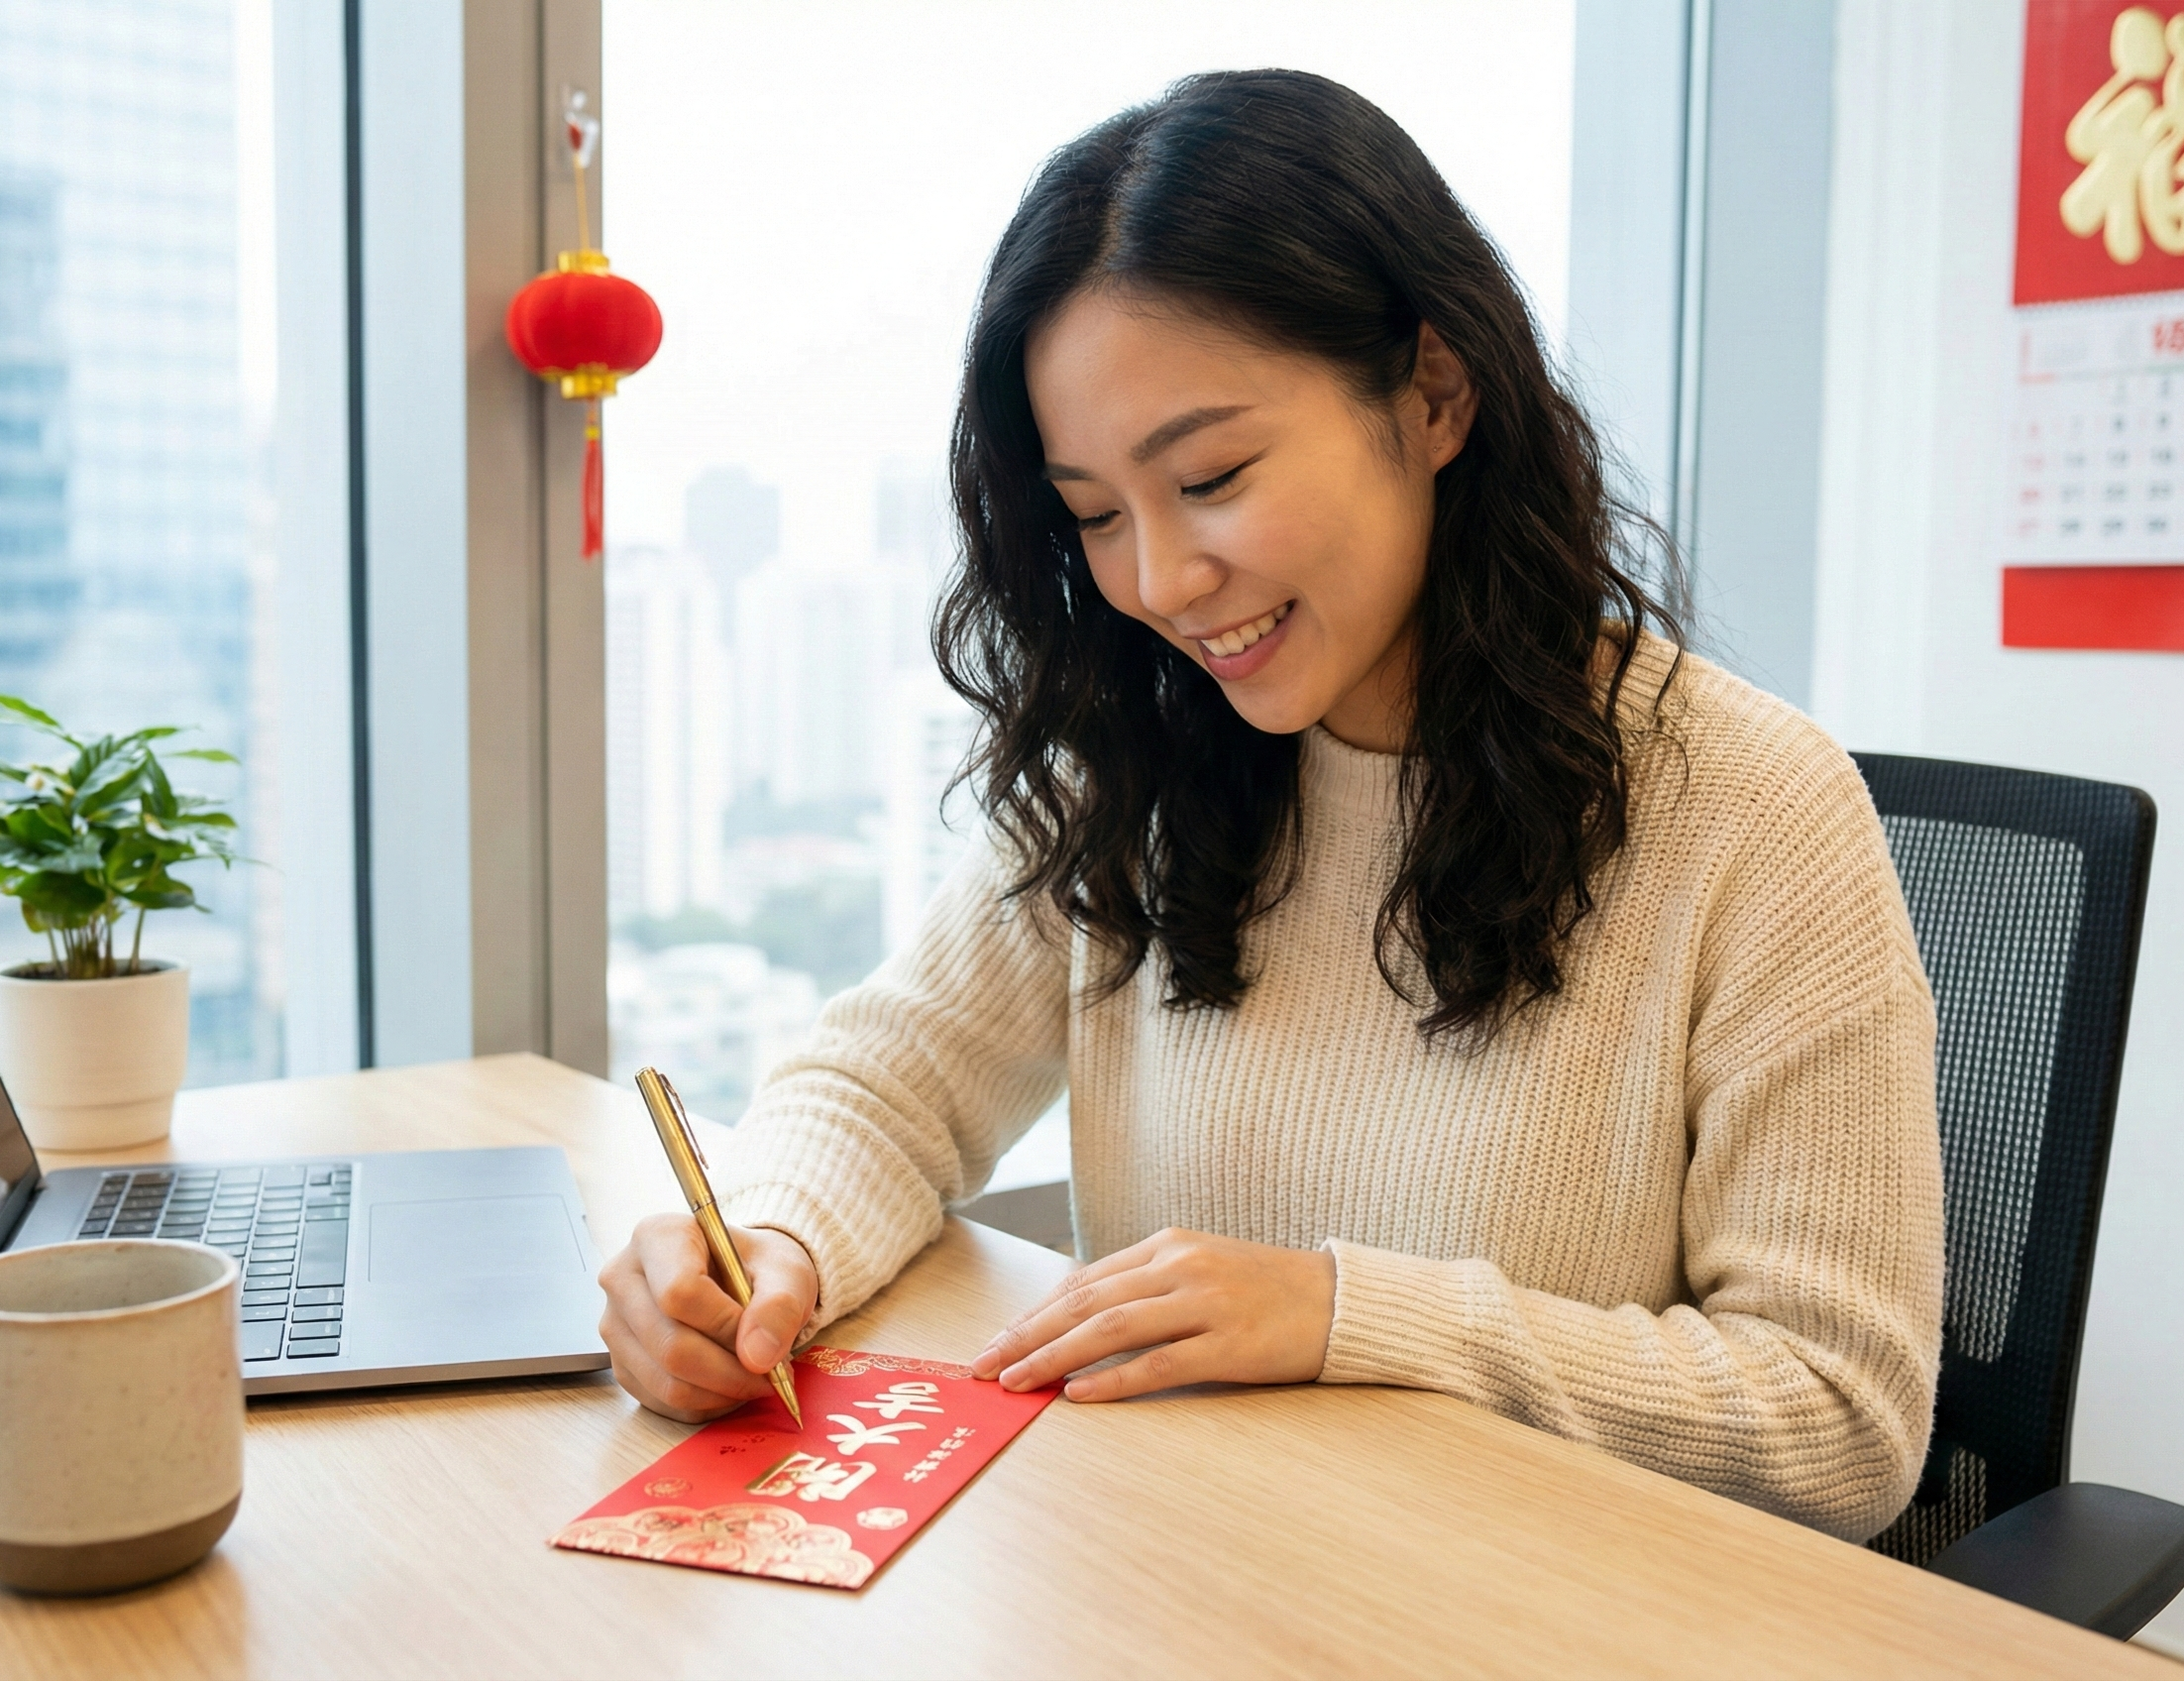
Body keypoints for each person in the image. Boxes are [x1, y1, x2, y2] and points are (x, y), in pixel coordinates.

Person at [597, 69, 1943, 1542]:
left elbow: (1838, 1422)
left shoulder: (1751, 809)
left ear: (1433, 395)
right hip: (1196, 1578)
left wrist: (1348, 1317)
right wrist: (761, 1245)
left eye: (1214, 476)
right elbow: (894, 1080)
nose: (1163, 583)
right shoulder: (1135, 760)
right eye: (1098, 516)